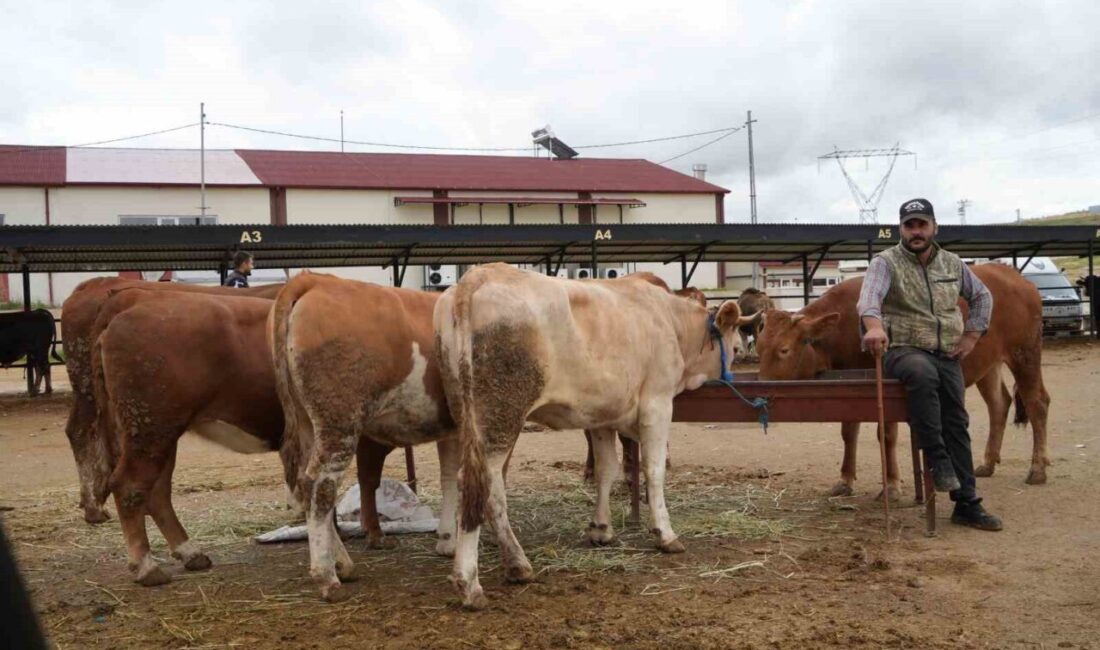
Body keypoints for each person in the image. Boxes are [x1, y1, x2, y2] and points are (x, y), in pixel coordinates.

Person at [857, 198, 1002, 531]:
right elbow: (869, 299)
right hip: (903, 350)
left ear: (934, 227)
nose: (916, 231)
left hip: (947, 352)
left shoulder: (952, 263)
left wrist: (972, 336)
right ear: (901, 229)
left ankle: (967, 503)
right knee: (921, 374)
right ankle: (937, 461)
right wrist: (874, 327)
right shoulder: (885, 262)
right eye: (909, 226)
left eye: (922, 224)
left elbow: (982, 296)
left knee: (957, 421)